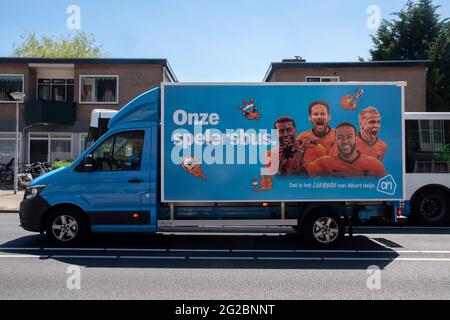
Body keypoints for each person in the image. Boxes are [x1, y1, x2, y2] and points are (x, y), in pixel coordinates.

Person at [305, 122, 387, 177]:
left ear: (356, 138)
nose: (345, 141)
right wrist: (302, 149)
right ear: (335, 140)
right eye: (340, 137)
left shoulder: (374, 164)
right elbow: (298, 176)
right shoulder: (325, 163)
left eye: (349, 137)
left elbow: (383, 192)